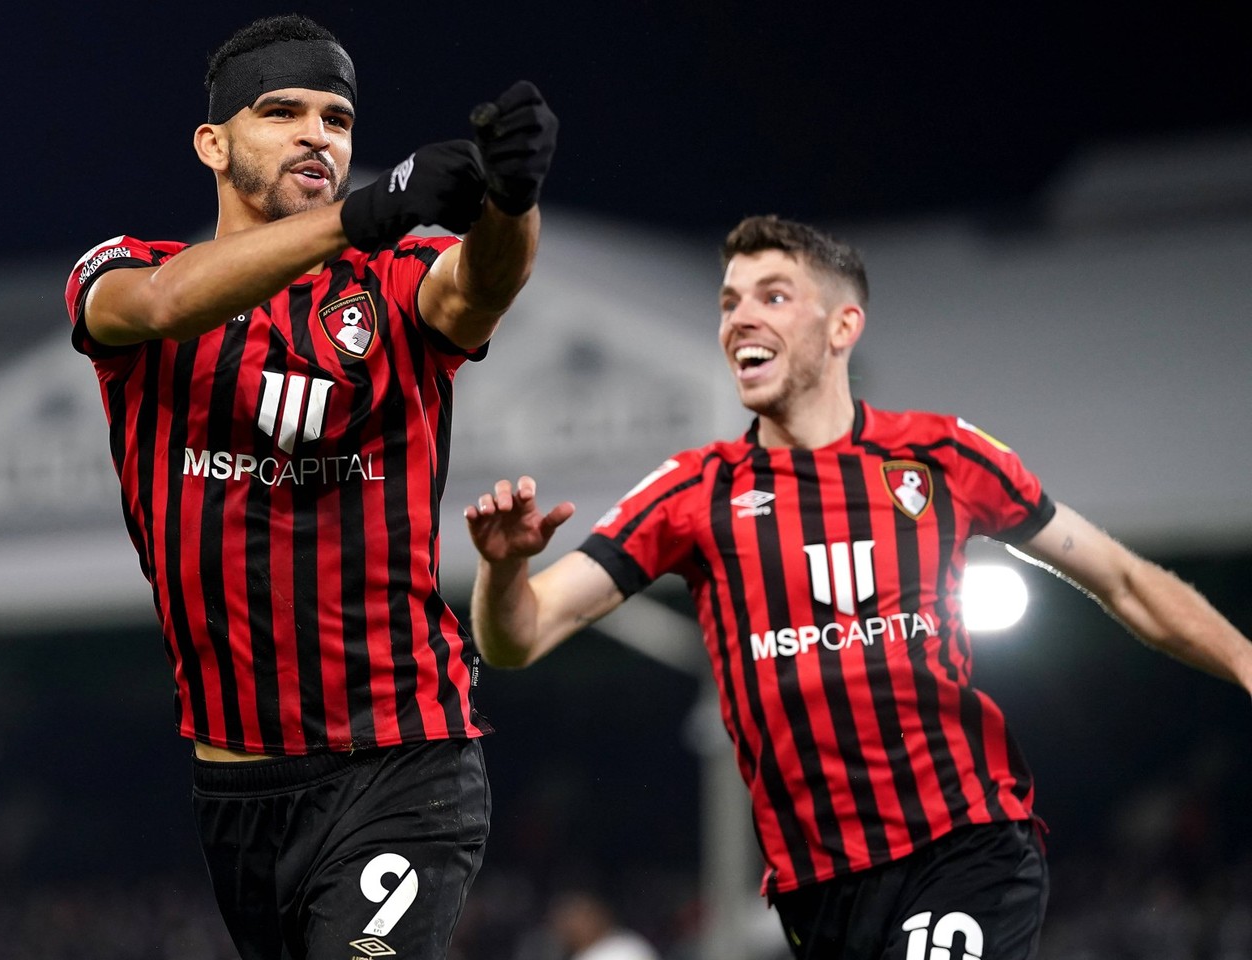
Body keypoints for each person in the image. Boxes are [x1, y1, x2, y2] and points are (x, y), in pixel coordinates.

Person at [463, 215, 1252, 959]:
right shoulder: (692, 491)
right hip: (820, 892)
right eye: (729, 302)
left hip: (965, 844)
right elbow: (518, 636)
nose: (741, 318)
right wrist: (503, 569)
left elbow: (1124, 579)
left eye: (773, 296)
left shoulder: (942, 456)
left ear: (842, 327)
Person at [61, 14, 556, 959]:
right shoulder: (127, 271)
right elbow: (161, 309)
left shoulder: (394, 281)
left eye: (336, 117)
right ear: (213, 143)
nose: (316, 135)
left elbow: (477, 289)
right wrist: (363, 211)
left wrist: (512, 198)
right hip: (237, 787)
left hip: (403, 761)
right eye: (281, 110)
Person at [547, 890, 663, 960]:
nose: (571, 927)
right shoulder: (582, 954)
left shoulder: (625, 948)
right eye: (566, 921)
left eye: (576, 919)